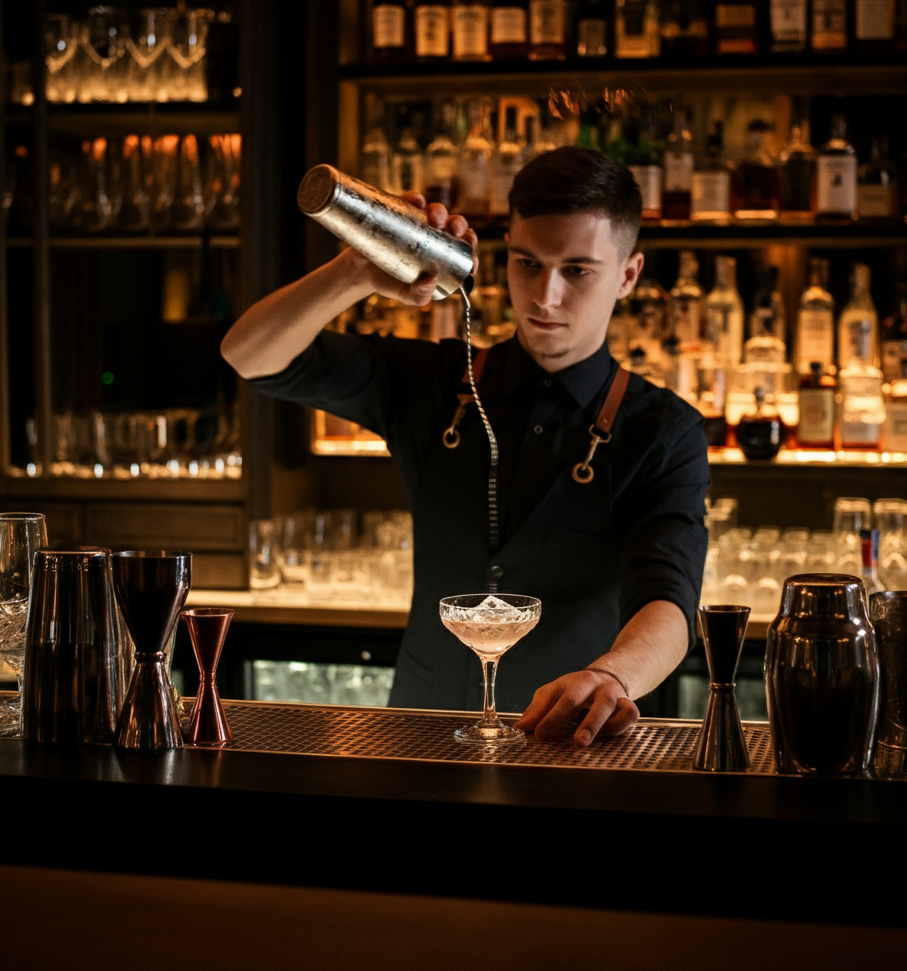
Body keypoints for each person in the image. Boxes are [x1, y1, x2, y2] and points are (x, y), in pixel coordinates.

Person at [221, 146, 709, 746]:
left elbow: (669, 602)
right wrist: (357, 271)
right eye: (528, 264)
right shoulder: (435, 382)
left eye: (577, 270)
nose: (545, 296)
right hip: (421, 735)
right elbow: (248, 354)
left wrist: (611, 676)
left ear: (628, 275)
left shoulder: (662, 431)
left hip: (566, 743)